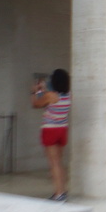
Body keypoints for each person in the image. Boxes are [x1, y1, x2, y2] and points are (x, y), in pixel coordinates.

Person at [31, 68, 71, 202]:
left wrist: (35, 91)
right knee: (59, 162)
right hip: (62, 129)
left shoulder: (51, 95)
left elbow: (36, 104)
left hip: (51, 130)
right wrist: (43, 90)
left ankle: (59, 194)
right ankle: (61, 191)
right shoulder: (68, 94)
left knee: (54, 164)